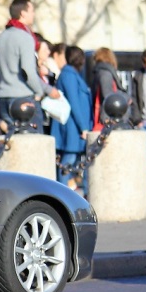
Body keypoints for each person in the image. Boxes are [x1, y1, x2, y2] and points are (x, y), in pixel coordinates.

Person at [0, 0, 46, 131]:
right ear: (23, 14)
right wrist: (39, 91)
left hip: (3, 98)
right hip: (23, 97)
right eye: (31, 11)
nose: (33, 14)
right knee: (34, 141)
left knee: (12, 142)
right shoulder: (25, 38)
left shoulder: (0, 38)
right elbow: (27, 71)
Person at [50, 45, 92, 193]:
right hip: (72, 127)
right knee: (68, 161)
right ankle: (62, 193)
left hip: (74, 127)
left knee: (72, 160)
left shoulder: (72, 74)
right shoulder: (69, 75)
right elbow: (74, 102)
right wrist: (83, 127)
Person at [89, 47, 122, 131]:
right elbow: (108, 97)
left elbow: (107, 97)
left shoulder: (103, 73)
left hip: (105, 118)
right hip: (106, 119)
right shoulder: (106, 73)